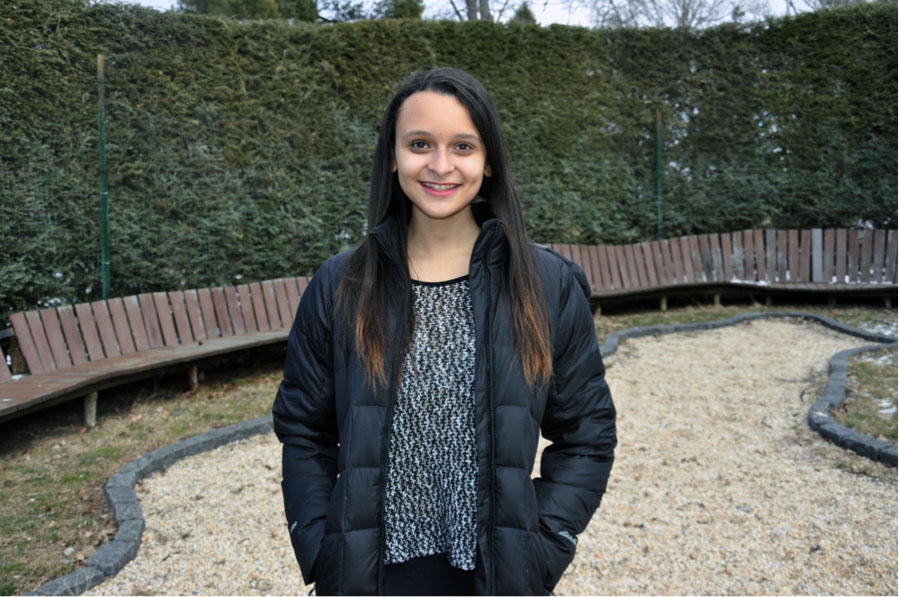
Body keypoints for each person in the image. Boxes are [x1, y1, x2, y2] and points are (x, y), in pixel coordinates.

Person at [272, 67, 616, 596]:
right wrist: (320, 544)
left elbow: (587, 434)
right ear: (392, 156)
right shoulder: (342, 284)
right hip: (368, 579)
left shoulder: (545, 284)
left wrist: (543, 544)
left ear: (489, 161)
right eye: (419, 144)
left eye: (462, 146)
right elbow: (304, 431)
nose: (440, 165)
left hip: (495, 579)